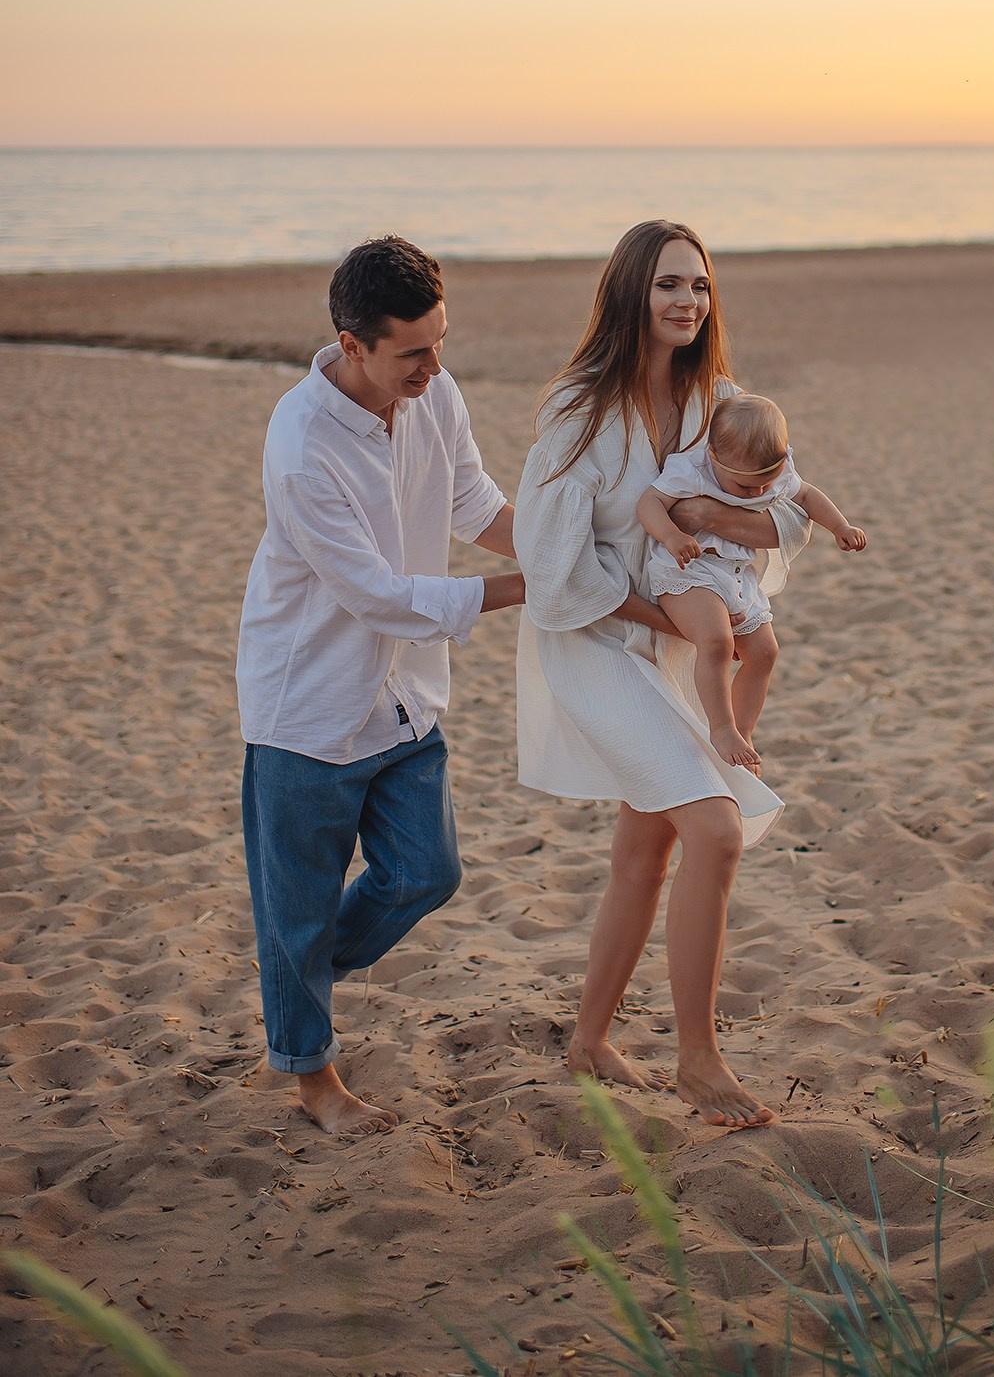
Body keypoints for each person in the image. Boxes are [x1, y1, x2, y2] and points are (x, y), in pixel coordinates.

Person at [513, 219, 810, 1130]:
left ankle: (591, 1039)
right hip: (594, 640)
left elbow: (784, 515)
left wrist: (702, 523)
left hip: (674, 643)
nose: (688, 302)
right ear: (631, 293)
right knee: (716, 831)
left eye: (701, 286)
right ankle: (698, 1056)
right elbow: (553, 565)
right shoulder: (577, 408)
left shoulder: (712, 399)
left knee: (648, 853)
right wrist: (670, 589)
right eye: (669, 285)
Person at [236, 235, 524, 1138]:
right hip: (307, 707)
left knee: (426, 873)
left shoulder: (432, 394)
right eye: (414, 351)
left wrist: (564, 553)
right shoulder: (301, 443)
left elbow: (475, 504)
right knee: (297, 904)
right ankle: (314, 1077)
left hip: (403, 699)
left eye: (441, 342)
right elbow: (374, 595)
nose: (435, 367)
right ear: (353, 344)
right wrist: (529, 589)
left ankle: (300, 981)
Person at [638, 391, 866, 769]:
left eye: (767, 483)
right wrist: (671, 535)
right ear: (714, 456)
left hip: (737, 575)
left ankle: (743, 730)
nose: (760, 493)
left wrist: (839, 526)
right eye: (746, 489)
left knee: (764, 652)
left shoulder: (769, 470)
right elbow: (649, 503)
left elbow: (806, 495)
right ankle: (722, 727)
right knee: (716, 642)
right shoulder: (691, 470)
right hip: (689, 571)